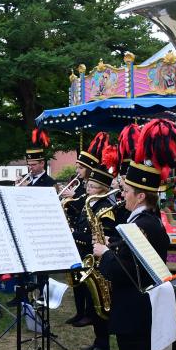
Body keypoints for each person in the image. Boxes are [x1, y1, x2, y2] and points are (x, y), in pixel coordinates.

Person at [95, 161, 173, 350]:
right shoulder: (148, 220)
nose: (122, 195)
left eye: (126, 190)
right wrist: (115, 243)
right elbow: (138, 260)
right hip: (145, 305)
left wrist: (106, 254)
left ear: (141, 195)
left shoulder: (142, 225)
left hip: (133, 307)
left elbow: (125, 272)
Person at [75, 143, 122, 350]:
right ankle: (97, 341)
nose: (88, 189)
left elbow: (109, 236)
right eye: (89, 185)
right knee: (94, 307)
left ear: (103, 189)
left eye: (92, 187)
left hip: (101, 262)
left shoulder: (105, 209)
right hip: (90, 260)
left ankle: (103, 345)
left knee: (101, 307)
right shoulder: (90, 204)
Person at [65, 132, 107, 327]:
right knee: (76, 281)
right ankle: (80, 311)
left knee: (87, 284)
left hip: (87, 245)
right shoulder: (83, 188)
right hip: (77, 241)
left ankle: (89, 313)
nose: (78, 170)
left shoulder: (87, 191)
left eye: (81, 167)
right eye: (78, 167)